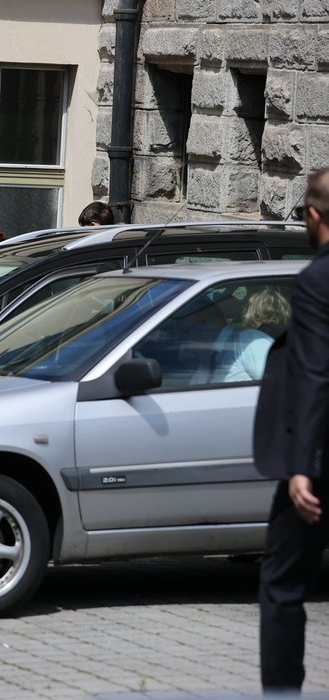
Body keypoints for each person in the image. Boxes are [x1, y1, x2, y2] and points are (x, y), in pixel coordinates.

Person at [255, 166, 329, 694]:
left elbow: (314, 373)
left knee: (283, 583)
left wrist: (302, 466)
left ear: (314, 215)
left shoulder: (317, 282)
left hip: (321, 462)